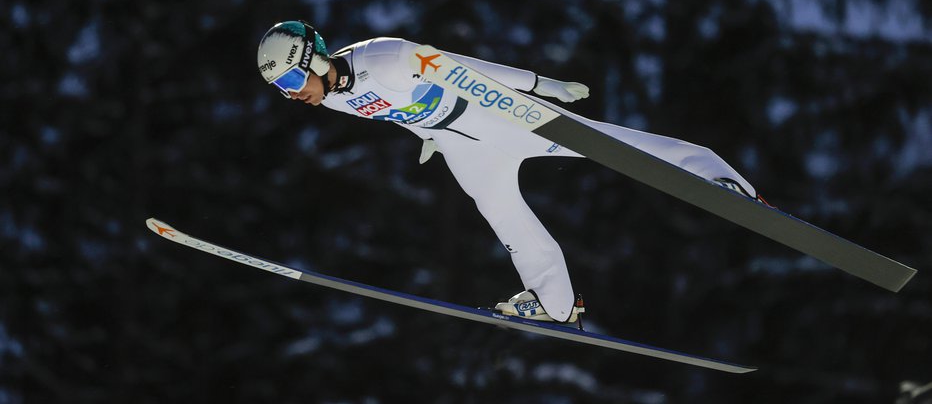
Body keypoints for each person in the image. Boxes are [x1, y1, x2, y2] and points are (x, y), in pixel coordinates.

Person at [257, 21, 762, 324]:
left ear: (316, 58)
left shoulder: (389, 57)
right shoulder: (329, 98)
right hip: (462, 145)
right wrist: (428, 135)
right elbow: (393, 109)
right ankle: (557, 304)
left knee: (619, 148)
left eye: (295, 77)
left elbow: (467, 70)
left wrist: (541, 85)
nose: (295, 93)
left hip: (500, 117)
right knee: (505, 219)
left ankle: (718, 178)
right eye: (283, 88)